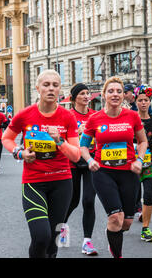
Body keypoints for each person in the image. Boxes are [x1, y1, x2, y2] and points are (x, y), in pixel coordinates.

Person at [1, 69, 81, 258]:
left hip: (62, 182)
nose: (51, 89)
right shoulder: (25, 115)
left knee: (53, 239)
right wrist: (20, 153)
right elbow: (7, 139)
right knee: (41, 236)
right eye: (46, 85)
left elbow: (76, 156)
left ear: (60, 89)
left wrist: (60, 141)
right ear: (38, 88)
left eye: (55, 85)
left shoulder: (67, 117)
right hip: (34, 182)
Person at [80, 77, 148, 258]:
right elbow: (83, 145)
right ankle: (117, 254)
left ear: (123, 95)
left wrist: (139, 160)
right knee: (115, 217)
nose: (115, 94)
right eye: (111, 91)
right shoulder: (94, 119)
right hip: (103, 172)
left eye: (119, 91)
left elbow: (142, 141)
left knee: (126, 222)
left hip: (128, 172)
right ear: (104, 95)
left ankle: (112, 232)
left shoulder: (132, 116)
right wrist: (89, 160)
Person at [60, 83, 98, 256]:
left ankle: (87, 242)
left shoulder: (95, 116)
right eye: (82, 93)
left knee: (88, 201)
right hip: (73, 162)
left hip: (90, 161)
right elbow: (61, 139)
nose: (86, 96)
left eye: (87, 93)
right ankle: (62, 227)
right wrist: (77, 131)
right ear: (74, 97)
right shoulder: (68, 116)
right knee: (72, 201)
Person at [134, 85, 152, 242]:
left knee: (149, 193)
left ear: (150, 102)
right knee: (132, 194)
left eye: (146, 100)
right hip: (132, 161)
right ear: (136, 102)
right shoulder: (131, 118)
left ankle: (146, 228)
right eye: (140, 100)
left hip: (150, 160)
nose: (143, 103)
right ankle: (133, 210)